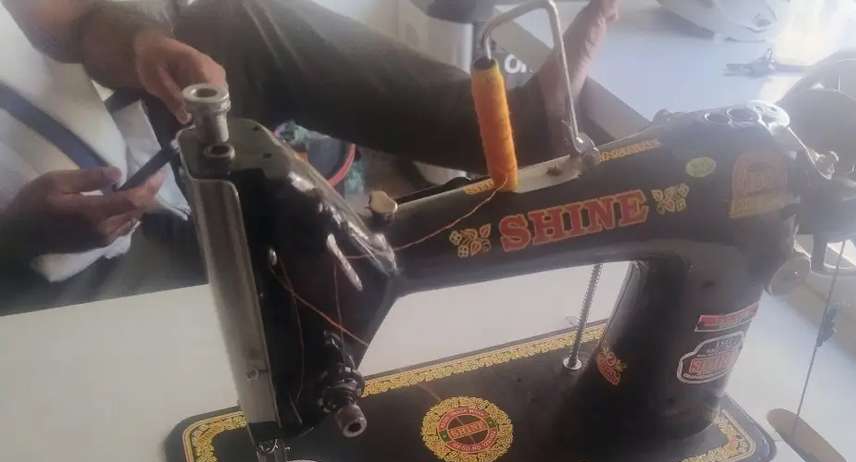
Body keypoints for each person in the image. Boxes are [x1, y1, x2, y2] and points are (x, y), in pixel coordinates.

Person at [0, 0, 622, 282]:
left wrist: (141, 45)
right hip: (29, 254)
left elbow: (70, 23)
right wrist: (18, 232)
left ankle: (518, 124)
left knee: (231, 23)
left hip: (106, 154)